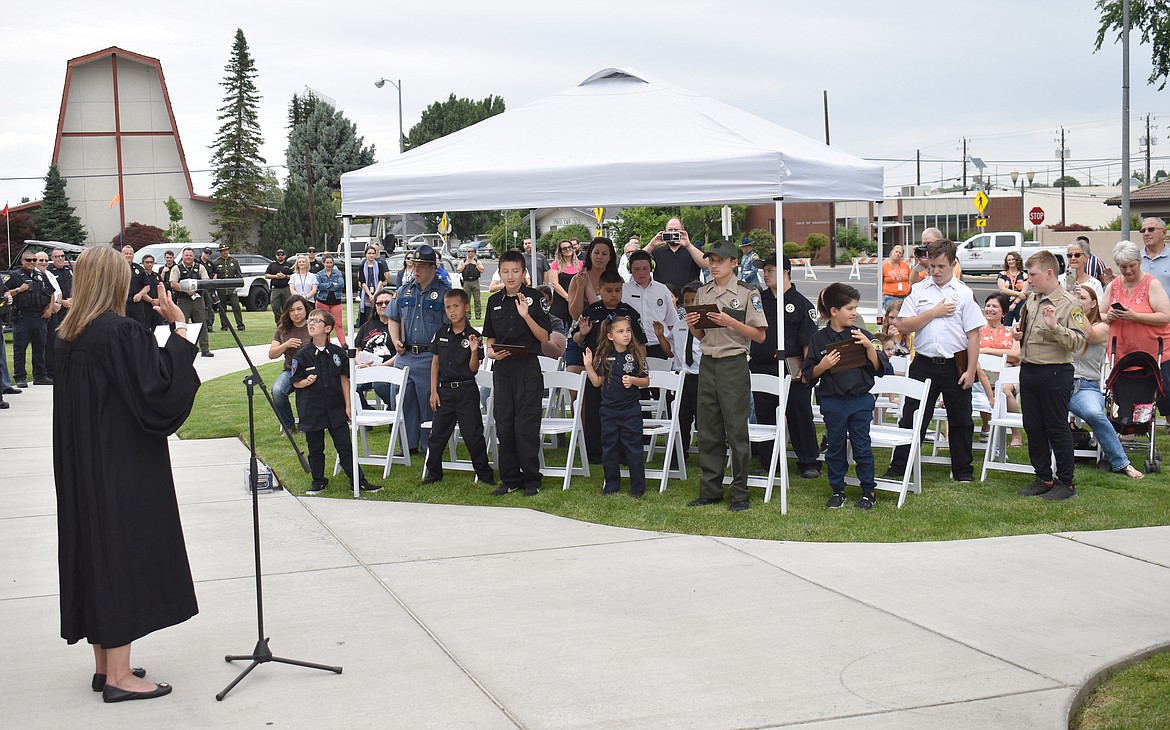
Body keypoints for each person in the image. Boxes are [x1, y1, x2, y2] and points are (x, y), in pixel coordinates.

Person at [54, 245, 199, 703]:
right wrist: (179, 329)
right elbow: (156, 394)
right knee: (120, 553)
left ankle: (105, 664)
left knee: (94, 550)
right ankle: (119, 678)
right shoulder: (119, 333)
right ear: (117, 283)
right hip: (121, 466)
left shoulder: (68, 334)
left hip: (82, 465)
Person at [884, 238, 985, 483]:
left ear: (953, 264)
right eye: (932, 267)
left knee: (961, 419)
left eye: (942, 266)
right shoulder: (919, 290)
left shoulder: (963, 293)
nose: (936, 272)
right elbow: (904, 325)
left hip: (954, 365)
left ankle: (963, 470)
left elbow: (973, 335)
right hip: (924, 364)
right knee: (912, 416)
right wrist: (932, 313)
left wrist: (971, 371)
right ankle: (899, 466)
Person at [683, 240, 768, 512]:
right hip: (708, 363)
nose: (714, 265)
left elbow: (760, 335)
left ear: (734, 263)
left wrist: (731, 321)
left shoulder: (747, 293)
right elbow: (701, 336)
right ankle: (710, 490)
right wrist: (693, 326)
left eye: (720, 260)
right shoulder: (703, 292)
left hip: (733, 364)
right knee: (708, 430)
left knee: (736, 431)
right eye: (711, 260)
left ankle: (740, 493)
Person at [803, 283, 889, 510]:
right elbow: (807, 375)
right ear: (833, 311)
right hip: (832, 401)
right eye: (850, 308)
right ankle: (837, 489)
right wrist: (822, 366)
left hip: (860, 400)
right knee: (835, 446)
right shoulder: (819, 339)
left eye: (856, 308)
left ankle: (868, 491)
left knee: (862, 446)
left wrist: (870, 348)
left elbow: (882, 369)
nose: (855, 313)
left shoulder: (863, 336)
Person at [1013, 250, 1086, 500]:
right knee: (1032, 426)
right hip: (1029, 369)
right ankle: (1043, 477)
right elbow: (1030, 329)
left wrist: (1056, 328)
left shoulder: (1069, 303)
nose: (1029, 279)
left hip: (1055, 372)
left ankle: (1066, 483)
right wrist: (1019, 335)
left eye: (1032, 274)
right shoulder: (1033, 299)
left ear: (1049, 273)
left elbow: (1078, 343)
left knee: (1056, 427)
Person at [483, 249, 552, 497]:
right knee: (505, 424)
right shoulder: (494, 301)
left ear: (524, 273)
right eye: (505, 272)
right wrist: (490, 351)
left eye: (515, 271)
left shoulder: (534, 298)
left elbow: (544, 337)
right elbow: (490, 336)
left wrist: (526, 315)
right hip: (502, 368)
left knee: (526, 424)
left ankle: (531, 479)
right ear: (499, 273)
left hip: (527, 369)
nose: (510, 276)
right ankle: (510, 478)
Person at [292, 310, 378, 495]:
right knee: (315, 448)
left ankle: (358, 480)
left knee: (345, 446)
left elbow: (344, 379)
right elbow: (295, 381)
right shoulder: (302, 356)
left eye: (316, 321)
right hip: (312, 408)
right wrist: (304, 382)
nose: (311, 323)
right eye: (310, 320)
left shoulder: (338, 353)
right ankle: (318, 480)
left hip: (335, 407)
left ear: (328, 328)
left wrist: (348, 406)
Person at [421, 288, 495, 486]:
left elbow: (473, 369)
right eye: (448, 307)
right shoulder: (441, 333)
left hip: (466, 391)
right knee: (437, 435)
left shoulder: (474, 336)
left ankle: (484, 474)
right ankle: (433, 473)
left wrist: (472, 352)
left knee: (473, 436)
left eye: (456, 306)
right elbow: (435, 363)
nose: (452, 311)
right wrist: (434, 391)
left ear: (466, 307)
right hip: (444, 391)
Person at [1069, 285, 1144, 479]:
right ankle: (1048, 461)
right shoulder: (1065, 326)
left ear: (1094, 304)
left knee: (1095, 414)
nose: (1077, 300)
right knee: (1046, 412)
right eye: (1074, 297)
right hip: (1059, 383)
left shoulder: (1102, 328)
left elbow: (1089, 335)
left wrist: (1074, 307)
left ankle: (1121, 463)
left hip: (1084, 387)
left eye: (1082, 298)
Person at [573, 270, 647, 464]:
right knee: (594, 411)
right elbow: (576, 339)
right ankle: (595, 453)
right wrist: (582, 333)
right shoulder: (591, 311)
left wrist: (638, 367)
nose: (613, 294)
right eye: (609, 290)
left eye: (617, 290)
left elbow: (640, 343)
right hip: (597, 370)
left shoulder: (629, 313)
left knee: (622, 414)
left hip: (622, 372)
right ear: (599, 289)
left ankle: (624, 454)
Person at [757, 254, 820, 478]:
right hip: (762, 365)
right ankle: (766, 461)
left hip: (792, 367)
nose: (765, 274)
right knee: (764, 414)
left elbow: (808, 340)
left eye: (770, 270)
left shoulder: (801, 303)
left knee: (799, 413)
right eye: (764, 270)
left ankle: (809, 461)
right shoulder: (759, 300)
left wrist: (806, 367)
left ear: (785, 272)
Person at [387, 244, 449, 453]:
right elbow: (393, 318)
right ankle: (408, 445)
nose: (416, 270)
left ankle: (429, 444)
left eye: (422, 266)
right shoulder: (404, 289)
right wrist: (395, 340)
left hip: (429, 356)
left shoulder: (443, 292)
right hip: (405, 355)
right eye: (414, 265)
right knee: (404, 401)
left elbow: (450, 327)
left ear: (433, 267)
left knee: (428, 403)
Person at [1105, 240, 1170, 425]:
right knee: (1127, 395)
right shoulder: (1114, 286)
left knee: (1165, 394)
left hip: (1155, 352)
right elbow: (1099, 314)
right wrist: (1108, 315)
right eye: (1123, 267)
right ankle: (1128, 428)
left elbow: (1166, 316)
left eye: (1132, 265)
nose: (1128, 271)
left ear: (1139, 262)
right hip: (1123, 353)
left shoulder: (1152, 284)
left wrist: (1135, 316)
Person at [583, 317, 649, 496]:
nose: (626, 335)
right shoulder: (604, 356)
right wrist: (588, 366)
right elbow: (597, 382)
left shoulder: (636, 354)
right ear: (610, 336)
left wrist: (634, 380)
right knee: (609, 448)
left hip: (631, 410)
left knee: (633, 448)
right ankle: (611, 484)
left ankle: (638, 487)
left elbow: (646, 381)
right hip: (609, 410)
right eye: (621, 332)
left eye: (628, 330)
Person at [566, 237, 619, 381]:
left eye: (604, 254)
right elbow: (575, 314)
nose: (599, 257)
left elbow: (610, 312)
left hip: (605, 339)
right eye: (596, 253)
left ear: (610, 257)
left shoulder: (616, 281)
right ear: (590, 254)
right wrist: (581, 288)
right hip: (578, 336)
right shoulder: (578, 278)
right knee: (575, 390)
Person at [659, 281, 702, 456]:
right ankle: (679, 452)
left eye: (694, 301)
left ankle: (707, 452)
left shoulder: (708, 326)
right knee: (681, 417)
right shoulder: (680, 325)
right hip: (682, 377)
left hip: (701, 377)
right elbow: (669, 352)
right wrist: (660, 336)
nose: (690, 305)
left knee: (703, 419)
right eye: (687, 301)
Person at [6, 249, 55, 385]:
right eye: (29, 260)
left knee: (40, 347)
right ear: (22, 261)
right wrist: (18, 290)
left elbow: (51, 293)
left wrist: (50, 309)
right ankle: (20, 377)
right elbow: (4, 293)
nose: (32, 262)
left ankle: (40, 376)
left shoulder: (41, 276)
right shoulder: (14, 276)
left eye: (34, 260)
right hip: (22, 318)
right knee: (20, 348)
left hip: (40, 317)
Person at [622, 250, 678, 360]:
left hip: (659, 346)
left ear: (651, 267)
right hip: (632, 346)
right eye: (636, 269)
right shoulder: (623, 290)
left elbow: (672, 322)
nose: (641, 272)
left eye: (645, 268)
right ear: (630, 269)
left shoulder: (662, 290)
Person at [268, 295, 311, 433]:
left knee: (308, 391)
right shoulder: (283, 329)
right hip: (290, 370)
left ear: (306, 309)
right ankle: (289, 426)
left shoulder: (313, 325)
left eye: (299, 309)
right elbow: (272, 354)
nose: (296, 313)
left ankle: (308, 425)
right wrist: (286, 345)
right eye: (292, 310)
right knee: (277, 391)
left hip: (312, 369)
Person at [354, 290, 397, 407]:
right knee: (348, 385)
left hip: (390, 369)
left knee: (379, 385)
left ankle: (394, 412)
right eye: (379, 303)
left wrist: (383, 366)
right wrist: (359, 363)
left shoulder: (400, 326)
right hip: (366, 368)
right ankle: (366, 412)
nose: (383, 305)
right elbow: (356, 350)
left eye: (387, 302)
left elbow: (402, 354)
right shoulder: (366, 326)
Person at [168, 247, 213, 357]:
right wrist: (185, 290)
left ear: (193, 256)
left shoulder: (200, 267)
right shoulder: (176, 268)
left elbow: (205, 281)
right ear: (183, 256)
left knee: (202, 323)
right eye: (186, 255)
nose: (188, 257)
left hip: (198, 299)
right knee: (182, 325)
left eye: (190, 255)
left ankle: (205, 349)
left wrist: (194, 290)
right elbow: (173, 283)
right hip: (183, 300)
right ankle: (181, 349)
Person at [642, 218, 708, 292]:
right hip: (662, 297)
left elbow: (706, 264)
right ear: (665, 231)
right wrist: (651, 245)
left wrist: (688, 245)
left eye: (676, 230)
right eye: (670, 230)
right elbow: (635, 261)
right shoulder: (656, 252)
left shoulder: (692, 250)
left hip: (689, 297)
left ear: (683, 231)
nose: (673, 233)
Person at [46, 248, 74, 373]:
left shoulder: (70, 271)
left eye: (62, 256)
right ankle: (55, 366)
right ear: (52, 258)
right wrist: (63, 302)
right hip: (59, 309)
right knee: (57, 338)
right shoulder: (49, 272)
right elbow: (53, 292)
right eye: (57, 256)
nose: (60, 258)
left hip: (72, 307)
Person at [314, 254, 347, 347]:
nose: (329, 265)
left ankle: (343, 344)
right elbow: (318, 286)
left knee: (338, 324)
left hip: (336, 302)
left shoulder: (338, 273)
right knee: (324, 324)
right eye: (327, 263)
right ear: (323, 263)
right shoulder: (319, 274)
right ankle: (327, 343)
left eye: (331, 263)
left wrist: (327, 286)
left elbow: (341, 285)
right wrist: (332, 284)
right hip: (322, 301)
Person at [212, 244, 246, 331]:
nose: (225, 252)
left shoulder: (234, 261)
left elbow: (239, 275)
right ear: (220, 252)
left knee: (236, 307)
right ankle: (224, 326)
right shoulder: (216, 262)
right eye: (223, 251)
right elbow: (215, 276)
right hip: (221, 289)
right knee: (222, 309)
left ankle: (240, 325)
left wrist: (238, 287)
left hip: (232, 289)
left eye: (226, 250)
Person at [356, 245, 390, 327]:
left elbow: (381, 280)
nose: (371, 255)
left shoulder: (379, 266)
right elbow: (362, 281)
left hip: (377, 292)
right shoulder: (362, 267)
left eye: (373, 253)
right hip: (367, 294)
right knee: (368, 315)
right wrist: (370, 295)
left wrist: (375, 295)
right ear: (366, 254)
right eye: (369, 253)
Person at [549, 239, 581, 324]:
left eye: (569, 247)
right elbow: (555, 283)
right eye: (564, 248)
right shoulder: (556, 264)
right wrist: (567, 297)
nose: (567, 250)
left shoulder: (581, 264)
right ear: (560, 251)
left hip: (576, 301)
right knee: (557, 327)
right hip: (560, 300)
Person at [1139, 217, 1170, 296]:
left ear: (1163, 233)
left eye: (1151, 229)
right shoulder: (1135, 258)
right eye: (1143, 231)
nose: (1146, 233)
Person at [997, 251, 1029, 328]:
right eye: (1009, 260)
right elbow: (1002, 290)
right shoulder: (1002, 274)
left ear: (1017, 260)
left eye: (1013, 259)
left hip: (1020, 302)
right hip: (1006, 302)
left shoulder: (1024, 275)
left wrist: (1014, 303)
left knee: (1021, 325)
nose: (1011, 261)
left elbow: (1024, 293)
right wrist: (1018, 293)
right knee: (1006, 325)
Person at [122, 245, 150, 328]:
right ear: (122, 254)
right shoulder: (116, 268)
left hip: (136, 303)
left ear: (133, 255)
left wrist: (140, 294)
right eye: (126, 254)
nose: (128, 255)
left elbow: (147, 286)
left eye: (130, 254)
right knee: (123, 326)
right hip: (122, 303)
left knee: (139, 326)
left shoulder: (139, 269)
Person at [265, 249, 293, 325]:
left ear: (285, 256)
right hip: (275, 288)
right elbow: (266, 275)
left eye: (282, 255)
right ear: (276, 256)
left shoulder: (289, 265)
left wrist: (285, 276)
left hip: (286, 288)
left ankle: (286, 322)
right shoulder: (272, 265)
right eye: (278, 255)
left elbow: (294, 276)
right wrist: (276, 276)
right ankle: (279, 322)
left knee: (287, 307)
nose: (280, 256)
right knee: (275, 306)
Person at [456, 247, 485, 319]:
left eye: (472, 251)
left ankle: (478, 315)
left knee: (477, 299)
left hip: (475, 281)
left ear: (474, 252)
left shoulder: (477, 261)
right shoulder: (463, 261)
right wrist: (465, 265)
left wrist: (475, 264)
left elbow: (482, 270)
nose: (470, 253)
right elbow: (458, 270)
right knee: (466, 299)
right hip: (466, 282)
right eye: (469, 251)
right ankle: (467, 315)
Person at [881, 244, 911, 309]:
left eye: (900, 253)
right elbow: (879, 282)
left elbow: (910, 280)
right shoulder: (884, 266)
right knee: (892, 316)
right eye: (896, 252)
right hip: (890, 297)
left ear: (902, 256)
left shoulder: (905, 265)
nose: (897, 254)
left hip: (905, 297)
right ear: (892, 252)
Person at [140, 254, 165, 329]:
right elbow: (140, 291)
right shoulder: (140, 276)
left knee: (158, 328)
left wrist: (158, 300)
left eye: (151, 262)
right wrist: (151, 300)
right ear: (143, 263)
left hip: (157, 305)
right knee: (145, 328)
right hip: (145, 305)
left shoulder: (156, 275)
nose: (149, 264)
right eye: (147, 262)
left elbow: (162, 289)